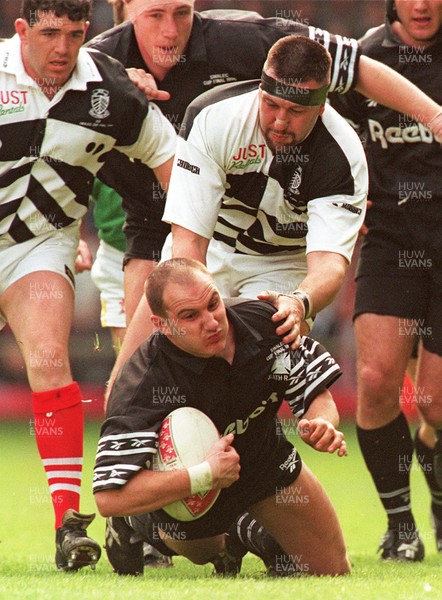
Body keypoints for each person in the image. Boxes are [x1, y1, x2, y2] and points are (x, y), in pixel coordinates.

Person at [87, 0, 442, 380]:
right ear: (122, 8)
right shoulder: (95, 66)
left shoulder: (245, 41)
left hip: (261, 236)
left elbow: (355, 67)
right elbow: (48, 138)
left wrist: (435, 117)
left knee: (238, 373)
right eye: (155, 15)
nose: (171, 31)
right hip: (150, 217)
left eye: (182, 13)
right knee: (136, 375)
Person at [0, 0, 175, 571]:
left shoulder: (115, 94)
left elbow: (175, 163)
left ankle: (67, 525)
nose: (62, 49)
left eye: (75, 34)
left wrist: (203, 241)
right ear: (22, 30)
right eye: (49, 33)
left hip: (39, 244)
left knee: (51, 359)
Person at [93, 258, 350, 578]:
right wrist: (206, 475)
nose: (212, 322)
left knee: (332, 571)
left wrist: (322, 422)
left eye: (213, 303)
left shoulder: (265, 321)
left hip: (262, 462)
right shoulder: (142, 383)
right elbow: (108, 495)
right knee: (203, 550)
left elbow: (314, 392)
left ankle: (246, 526)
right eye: (190, 316)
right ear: (161, 325)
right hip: (194, 484)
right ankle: (140, 521)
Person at [329, 0, 442, 561]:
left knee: (438, 407)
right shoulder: (363, 61)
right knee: (374, 381)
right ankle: (402, 527)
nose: (422, 4)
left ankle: (439, 495)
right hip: (392, 239)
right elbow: (320, 132)